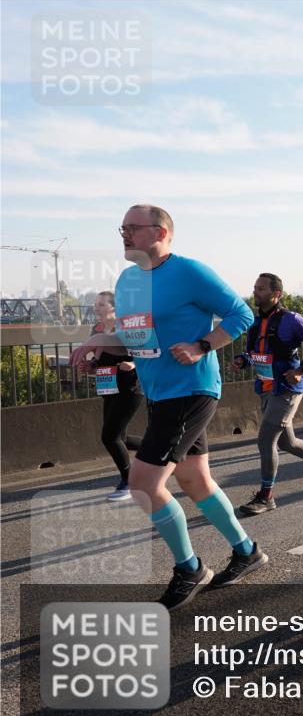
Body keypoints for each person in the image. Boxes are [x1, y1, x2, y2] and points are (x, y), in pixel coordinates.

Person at [70, 204, 266, 611]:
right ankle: (246, 551)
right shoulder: (127, 281)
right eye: (121, 228)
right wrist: (97, 348)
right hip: (160, 393)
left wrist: (201, 346)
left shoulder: (190, 272)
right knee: (195, 481)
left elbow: (241, 314)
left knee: (144, 484)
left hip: (191, 389)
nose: (124, 234)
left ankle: (190, 567)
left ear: (160, 233)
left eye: (132, 228)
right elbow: (135, 340)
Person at [235, 273, 303, 516]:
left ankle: (266, 496)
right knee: (286, 442)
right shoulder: (255, 321)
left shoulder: (292, 320)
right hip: (266, 388)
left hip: (288, 390)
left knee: (265, 440)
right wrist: (243, 360)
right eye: (254, 287)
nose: (255, 292)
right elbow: (258, 354)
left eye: (261, 288)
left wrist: (301, 370)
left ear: (276, 294)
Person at [79, 291, 143, 501]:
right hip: (108, 387)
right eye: (96, 304)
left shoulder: (127, 327)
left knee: (109, 436)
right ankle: (162, 450)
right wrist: (90, 365)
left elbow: (146, 353)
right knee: (120, 437)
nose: (96, 308)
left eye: (101, 304)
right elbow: (98, 360)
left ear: (114, 308)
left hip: (130, 386)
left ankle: (130, 482)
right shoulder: (96, 330)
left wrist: (133, 363)